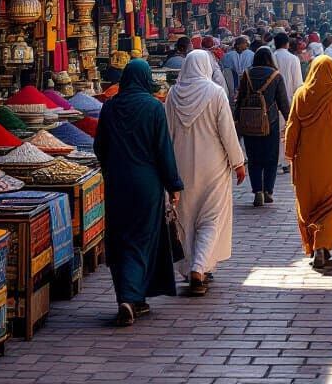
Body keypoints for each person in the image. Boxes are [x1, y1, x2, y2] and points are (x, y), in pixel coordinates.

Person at [94, 59, 183, 326]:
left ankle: (132, 296)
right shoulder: (154, 108)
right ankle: (130, 296)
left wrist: (112, 168)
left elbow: (100, 146)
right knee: (142, 239)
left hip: (117, 182)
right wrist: (173, 185)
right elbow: (163, 150)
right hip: (147, 184)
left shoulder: (109, 107)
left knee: (121, 238)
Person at [164, 51, 245, 296]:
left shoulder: (173, 94)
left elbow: (166, 134)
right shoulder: (215, 93)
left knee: (186, 218)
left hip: (181, 164)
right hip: (213, 166)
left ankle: (191, 267)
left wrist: (167, 170)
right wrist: (238, 162)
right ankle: (199, 267)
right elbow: (227, 132)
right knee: (211, 218)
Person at [284, 55, 332, 270]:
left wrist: (289, 153)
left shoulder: (301, 94)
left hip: (306, 164)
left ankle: (316, 246)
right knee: (331, 205)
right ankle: (321, 246)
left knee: (309, 205)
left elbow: (292, 128)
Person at [233, 46, 290, 208]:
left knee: (254, 158)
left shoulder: (247, 74)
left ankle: (257, 190)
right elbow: (283, 103)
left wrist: (237, 120)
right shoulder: (276, 76)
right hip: (270, 123)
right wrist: (290, 121)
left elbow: (240, 99)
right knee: (271, 158)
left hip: (249, 122)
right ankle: (268, 191)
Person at [273, 31, 304, 172]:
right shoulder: (293, 59)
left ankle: (278, 160)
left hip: (272, 101)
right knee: (288, 130)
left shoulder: (271, 58)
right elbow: (298, 83)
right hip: (289, 99)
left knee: (275, 131)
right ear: (287, 44)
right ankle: (286, 160)